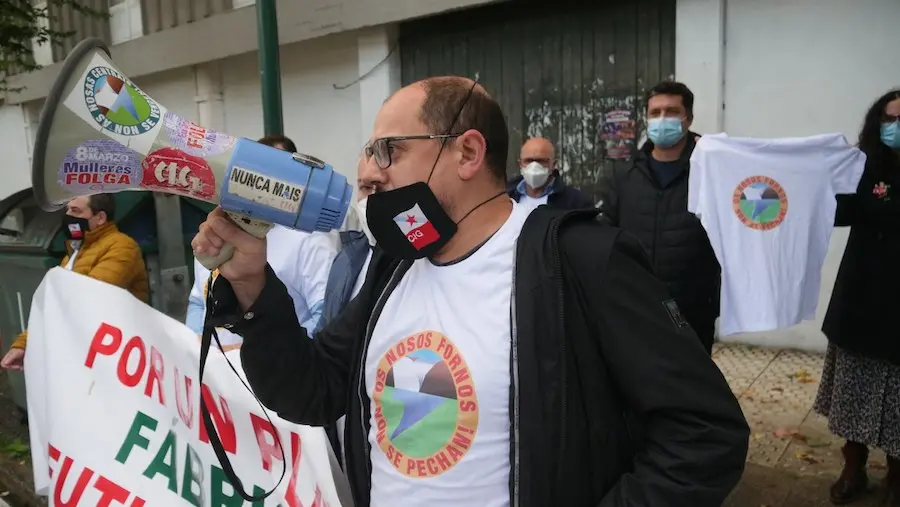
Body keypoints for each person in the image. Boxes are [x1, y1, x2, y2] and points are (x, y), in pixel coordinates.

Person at [192, 76, 749, 507]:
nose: (372, 170)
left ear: (467, 152)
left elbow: (705, 431)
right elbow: (311, 390)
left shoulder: (578, 258)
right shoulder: (394, 267)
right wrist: (251, 285)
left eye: (389, 149)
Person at [814, 88, 900, 506]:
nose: (895, 127)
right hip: (861, 298)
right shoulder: (864, 167)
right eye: (889, 119)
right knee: (854, 395)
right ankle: (854, 468)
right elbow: (839, 211)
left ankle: (897, 477)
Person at [598, 81, 720, 354]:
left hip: (693, 311)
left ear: (688, 118)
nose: (662, 119)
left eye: (672, 111)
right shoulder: (624, 176)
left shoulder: (711, 171)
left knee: (691, 390)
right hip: (634, 308)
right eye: (655, 113)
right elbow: (606, 237)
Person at [184, 135, 337, 347]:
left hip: (277, 373)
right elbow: (198, 303)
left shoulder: (310, 241)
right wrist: (195, 343)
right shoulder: (217, 233)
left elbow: (326, 319)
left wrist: (245, 352)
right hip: (215, 373)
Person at [1, 194, 148, 370]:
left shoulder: (122, 247)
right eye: (68, 210)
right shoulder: (75, 251)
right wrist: (25, 343)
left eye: (76, 211)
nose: (68, 215)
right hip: (81, 351)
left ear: (100, 217)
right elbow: (53, 305)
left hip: (111, 356)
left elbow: (87, 298)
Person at [506, 137, 595, 210]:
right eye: (528, 161)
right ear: (520, 164)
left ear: (553, 165)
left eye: (541, 161)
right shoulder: (505, 197)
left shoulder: (576, 203)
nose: (534, 166)